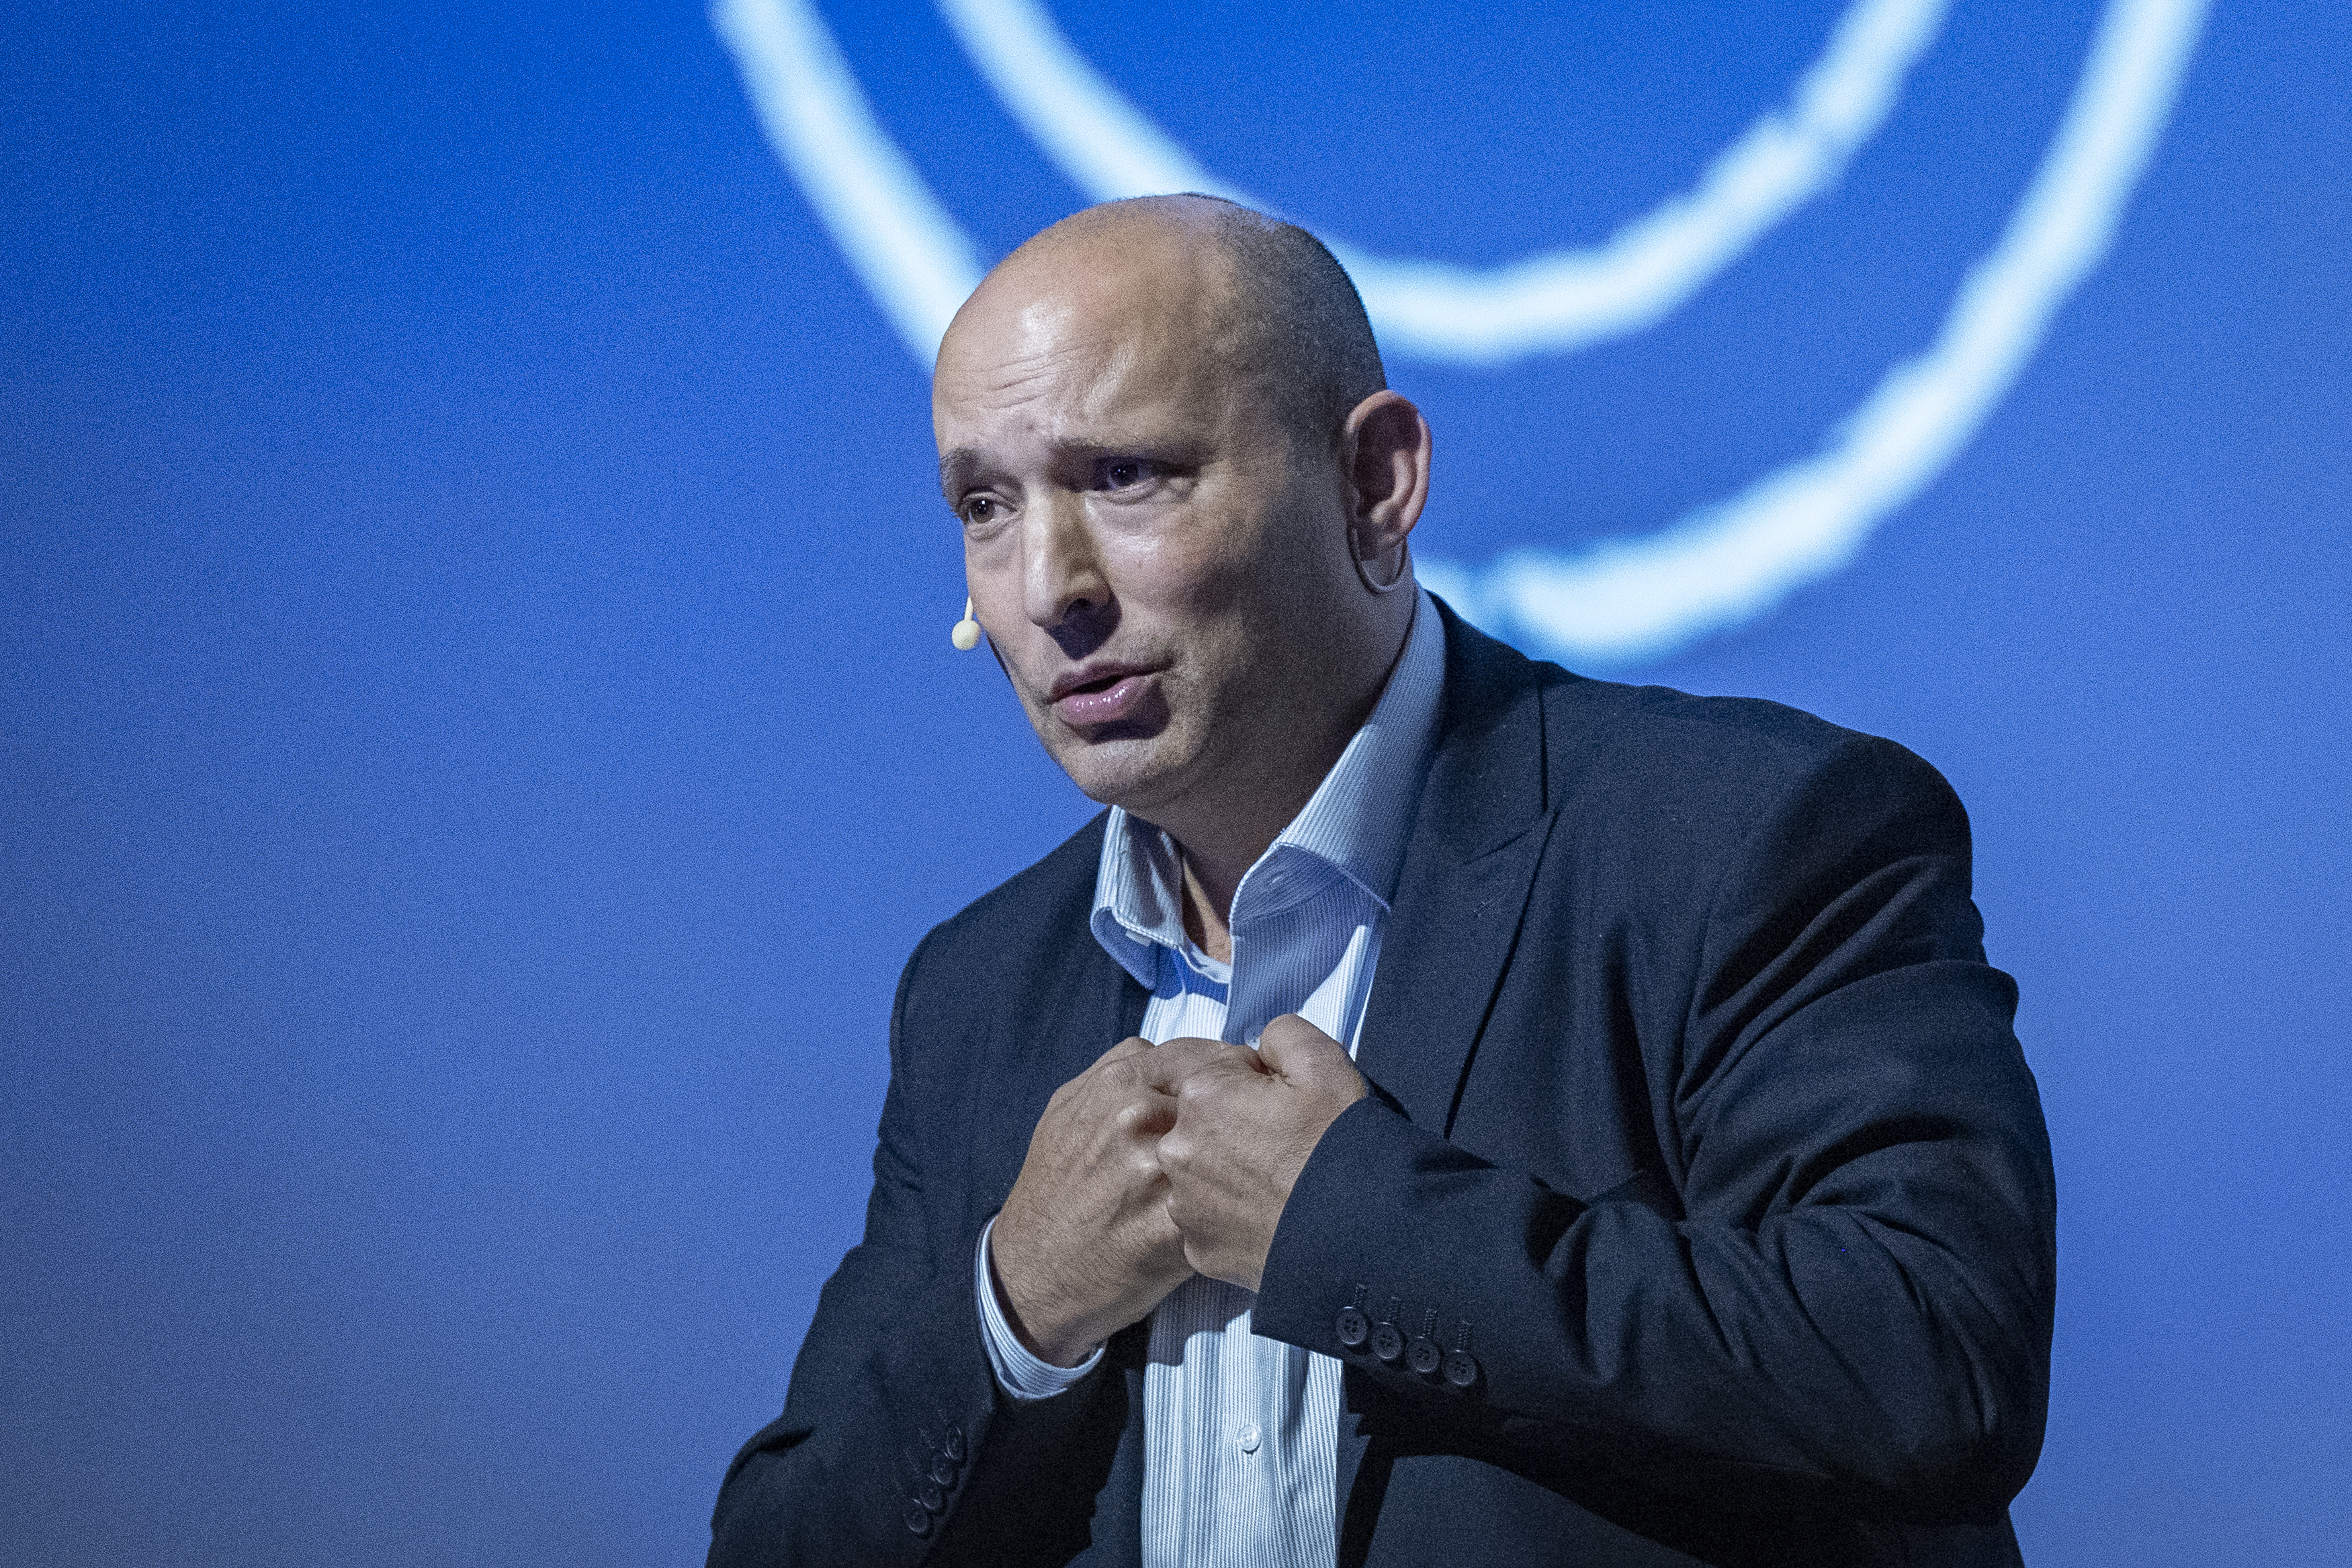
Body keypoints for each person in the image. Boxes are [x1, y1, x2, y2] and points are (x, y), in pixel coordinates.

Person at [706, 195, 2056, 1568]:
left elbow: (1928, 1361)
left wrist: (1347, 1224)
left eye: (1123, 476)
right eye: (985, 505)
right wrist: (1019, 1311)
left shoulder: (1745, 835)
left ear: (1373, 483)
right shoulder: (978, 989)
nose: (1047, 587)